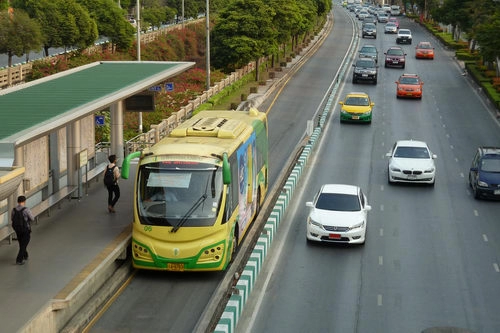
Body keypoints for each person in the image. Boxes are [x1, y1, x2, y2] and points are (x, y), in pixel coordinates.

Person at [11, 195, 34, 265]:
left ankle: (25, 255)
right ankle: (19, 260)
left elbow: (12, 219)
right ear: (24, 201)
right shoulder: (26, 209)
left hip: (17, 229)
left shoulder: (13, 210)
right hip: (25, 229)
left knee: (21, 243)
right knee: (24, 243)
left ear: (18, 202)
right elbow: (32, 218)